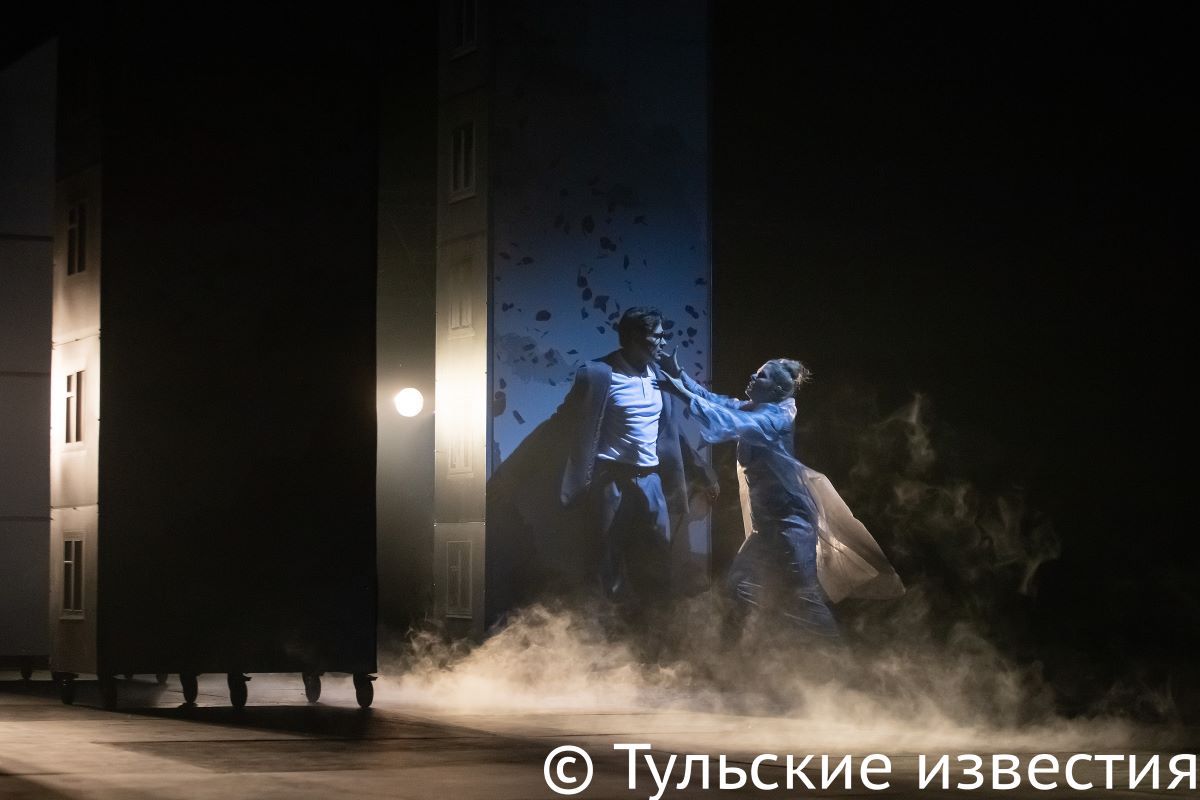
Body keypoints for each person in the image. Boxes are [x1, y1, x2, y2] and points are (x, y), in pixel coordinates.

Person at [659, 356, 903, 639]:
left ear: (775, 389)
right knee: (741, 585)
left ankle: (836, 659)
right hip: (768, 527)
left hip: (790, 526)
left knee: (803, 599)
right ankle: (766, 645)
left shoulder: (774, 419)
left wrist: (679, 391)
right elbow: (720, 402)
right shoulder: (759, 409)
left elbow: (726, 418)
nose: (753, 376)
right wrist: (680, 375)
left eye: (761, 376)